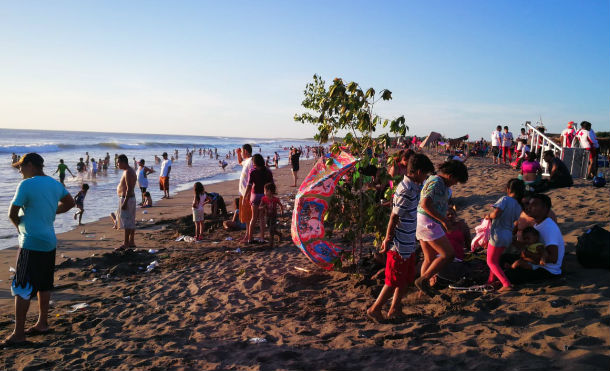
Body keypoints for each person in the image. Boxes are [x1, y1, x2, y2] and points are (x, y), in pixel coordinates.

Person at [4, 153, 75, 346]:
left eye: (20, 166)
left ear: (30, 165)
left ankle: (19, 334)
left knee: (22, 287)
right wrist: (53, 211)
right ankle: (42, 323)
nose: (19, 170)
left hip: (31, 242)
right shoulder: (54, 184)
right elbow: (70, 203)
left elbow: (12, 213)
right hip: (49, 241)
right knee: (43, 284)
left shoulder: (27, 185)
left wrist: (19, 227)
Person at [367, 154, 435, 321]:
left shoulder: (414, 186)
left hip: (408, 241)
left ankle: (395, 309)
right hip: (399, 243)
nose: (425, 178)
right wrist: (387, 238)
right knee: (392, 280)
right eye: (425, 174)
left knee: (405, 278)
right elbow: (393, 217)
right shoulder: (405, 189)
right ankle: (375, 309)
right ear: (418, 172)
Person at [415, 160, 469, 297]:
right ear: (451, 176)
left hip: (423, 222)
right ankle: (424, 280)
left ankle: (422, 291)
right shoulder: (437, 182)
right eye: (456, 181)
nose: (455, 184)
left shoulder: (438, 182)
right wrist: (444, 220)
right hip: (428, 222)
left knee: (429, 257)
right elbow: (425, 204)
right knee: (448, 254)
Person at [506, 193, 565, 284]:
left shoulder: (549, 227)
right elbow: (529, 244)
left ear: (545, 208)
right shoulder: (538, 224)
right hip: (534, 262)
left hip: (548, 270)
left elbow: (553, 258)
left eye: (534, 205)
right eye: (529, 204)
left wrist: (529, 255)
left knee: (509, 275)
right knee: (504, 258)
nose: (529, 207)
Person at [484, 178, 525, 292]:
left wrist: (488, 216)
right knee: (495, 260)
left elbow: (496, 214)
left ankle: (506, 283)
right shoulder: (518, 205)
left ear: (508, 189)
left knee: (490, 261)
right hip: (508, 235)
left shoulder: (504, 199)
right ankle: (491, 281)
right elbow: (517, 223)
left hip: (498, 234)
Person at [244, 154, 274, 244]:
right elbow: (271, 185)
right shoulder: (268, 171)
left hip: (255, 195)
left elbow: (249, 186)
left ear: (255, 162)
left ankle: (250, 238)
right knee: (262, 218)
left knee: (253, 218)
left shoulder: (252, 171)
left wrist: (245, 196)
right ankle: (261, 238)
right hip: (264, 196)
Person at [115, 154, 137, 250]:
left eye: (118, 162)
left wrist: (125, 202)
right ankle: (131, 241)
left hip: (127, 199)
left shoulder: (128, 172)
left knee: (127, 221)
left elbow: (129, 188)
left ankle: (126, 243)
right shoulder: (129, 170)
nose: (117, 164)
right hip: (129, 198)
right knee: (130, 220)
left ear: (123, 162)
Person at [237, 144, 254, 238]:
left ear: (246, 151)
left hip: (247, 193)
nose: (242, 153)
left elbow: (252, 178)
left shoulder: (251, 161)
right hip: (243, 193)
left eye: (242, 151)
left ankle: (248, 235)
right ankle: (247, 234)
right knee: (245, 216)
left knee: (248, 216)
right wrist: (238, 153)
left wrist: (249, 192)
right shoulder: (246, 161)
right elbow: (240, 162)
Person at [261, 182, 284, 247]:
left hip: (274, 216)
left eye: (265, 191)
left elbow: (280, 205)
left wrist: (282, 211)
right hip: (267, 216)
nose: (264, 192)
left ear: (269, 191)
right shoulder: (263, 199)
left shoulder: (275, 199)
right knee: (271, 229)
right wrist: (263, 207)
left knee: (271, 230)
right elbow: (260, 207)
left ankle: (271, 244)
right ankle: (279, 234)